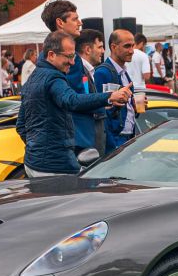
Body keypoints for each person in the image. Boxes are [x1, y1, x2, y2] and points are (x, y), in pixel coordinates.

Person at [17, 32, 132, 176]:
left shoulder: (34, 78)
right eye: (69, 56)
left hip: (33, 163)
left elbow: (20, 125)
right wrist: (110, 96)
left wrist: (36, 148)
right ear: (51, 55)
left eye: (74, 56)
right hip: (55, 166)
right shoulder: (53, 78)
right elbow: (72, 100)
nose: (72, 62)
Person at [92, 29, 139, 152]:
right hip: (116, 139)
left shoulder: (123, 72)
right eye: (127, 46)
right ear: (113, 47)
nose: (132, 50)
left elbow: (124, 107)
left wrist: (135, 106)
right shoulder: (103, 72)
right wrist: (111, 144)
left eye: (133, 46)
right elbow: (101, 112)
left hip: (128, 137)